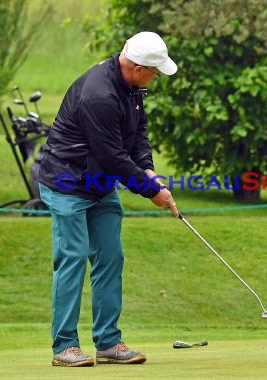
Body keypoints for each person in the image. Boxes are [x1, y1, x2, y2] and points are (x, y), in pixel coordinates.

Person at [37, 31, 179, 366]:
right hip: (67, 183)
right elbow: (114, 155)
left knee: (110, 258)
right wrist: (152, 192)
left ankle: (108, 342)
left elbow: (137, 134)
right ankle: (65, 346)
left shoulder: (133, 86)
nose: (155, 79)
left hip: (99, 184)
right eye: (155, 73)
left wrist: (148, 170)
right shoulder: (99, 94)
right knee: (72, 259)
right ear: (137, 67)